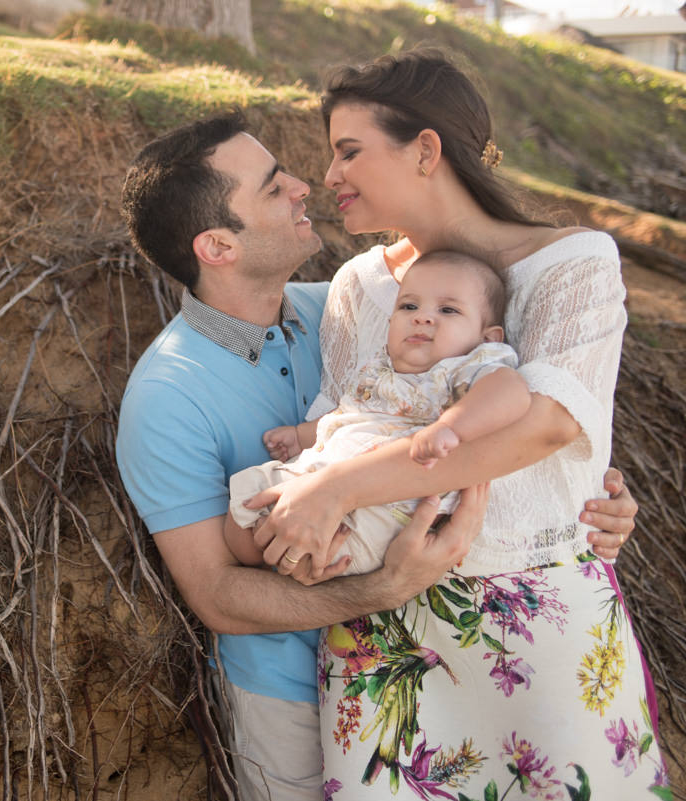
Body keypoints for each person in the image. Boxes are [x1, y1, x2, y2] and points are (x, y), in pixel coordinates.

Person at [115, 109, 638, 801]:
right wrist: (385, 586)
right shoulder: (164, 399)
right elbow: (217, 594)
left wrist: (592, 497)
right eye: (273, 187)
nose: (304, 184)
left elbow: (478, 408)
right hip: (289, 691)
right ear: (217, 245)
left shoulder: (357, 312)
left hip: (428, 658)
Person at [236, 49, 667, 798]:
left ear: (426, 149)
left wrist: (338, 488)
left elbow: (545, 427)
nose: (329, 175)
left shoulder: (572, 263)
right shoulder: (360, 285)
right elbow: (345, 418)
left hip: (533, 616)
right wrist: (326, 484)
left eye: (349, 151)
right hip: (381, 613)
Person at [225, 251, 531, 575]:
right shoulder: (379, 366)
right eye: (409, 306)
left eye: (448, 309)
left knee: (314, 545)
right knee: (242, 514)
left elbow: (511, 392)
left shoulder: (465, 367)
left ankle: (306, 561)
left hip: (386, 504)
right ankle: (279, 558)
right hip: (316, 475)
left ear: (488, 338)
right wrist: (301, 436)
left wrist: (452, 427)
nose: (422, 317)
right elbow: (348, 417)